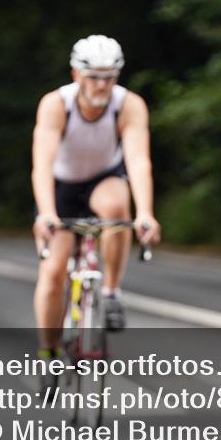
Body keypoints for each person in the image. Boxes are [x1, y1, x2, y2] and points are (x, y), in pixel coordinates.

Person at [31, 35, 161, 365]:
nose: (101, 86)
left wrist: (145, 212)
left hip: (103, 179)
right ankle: (49, 350)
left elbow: (138, 161)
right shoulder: (56, 104)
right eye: (93, 77)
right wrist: (46, 213)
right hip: (61, 188)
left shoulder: (128, 104)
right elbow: (42, 164)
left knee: (118, 208)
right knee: (53, 273)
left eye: (109, 77)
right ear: (76, 75)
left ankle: (111, 292)